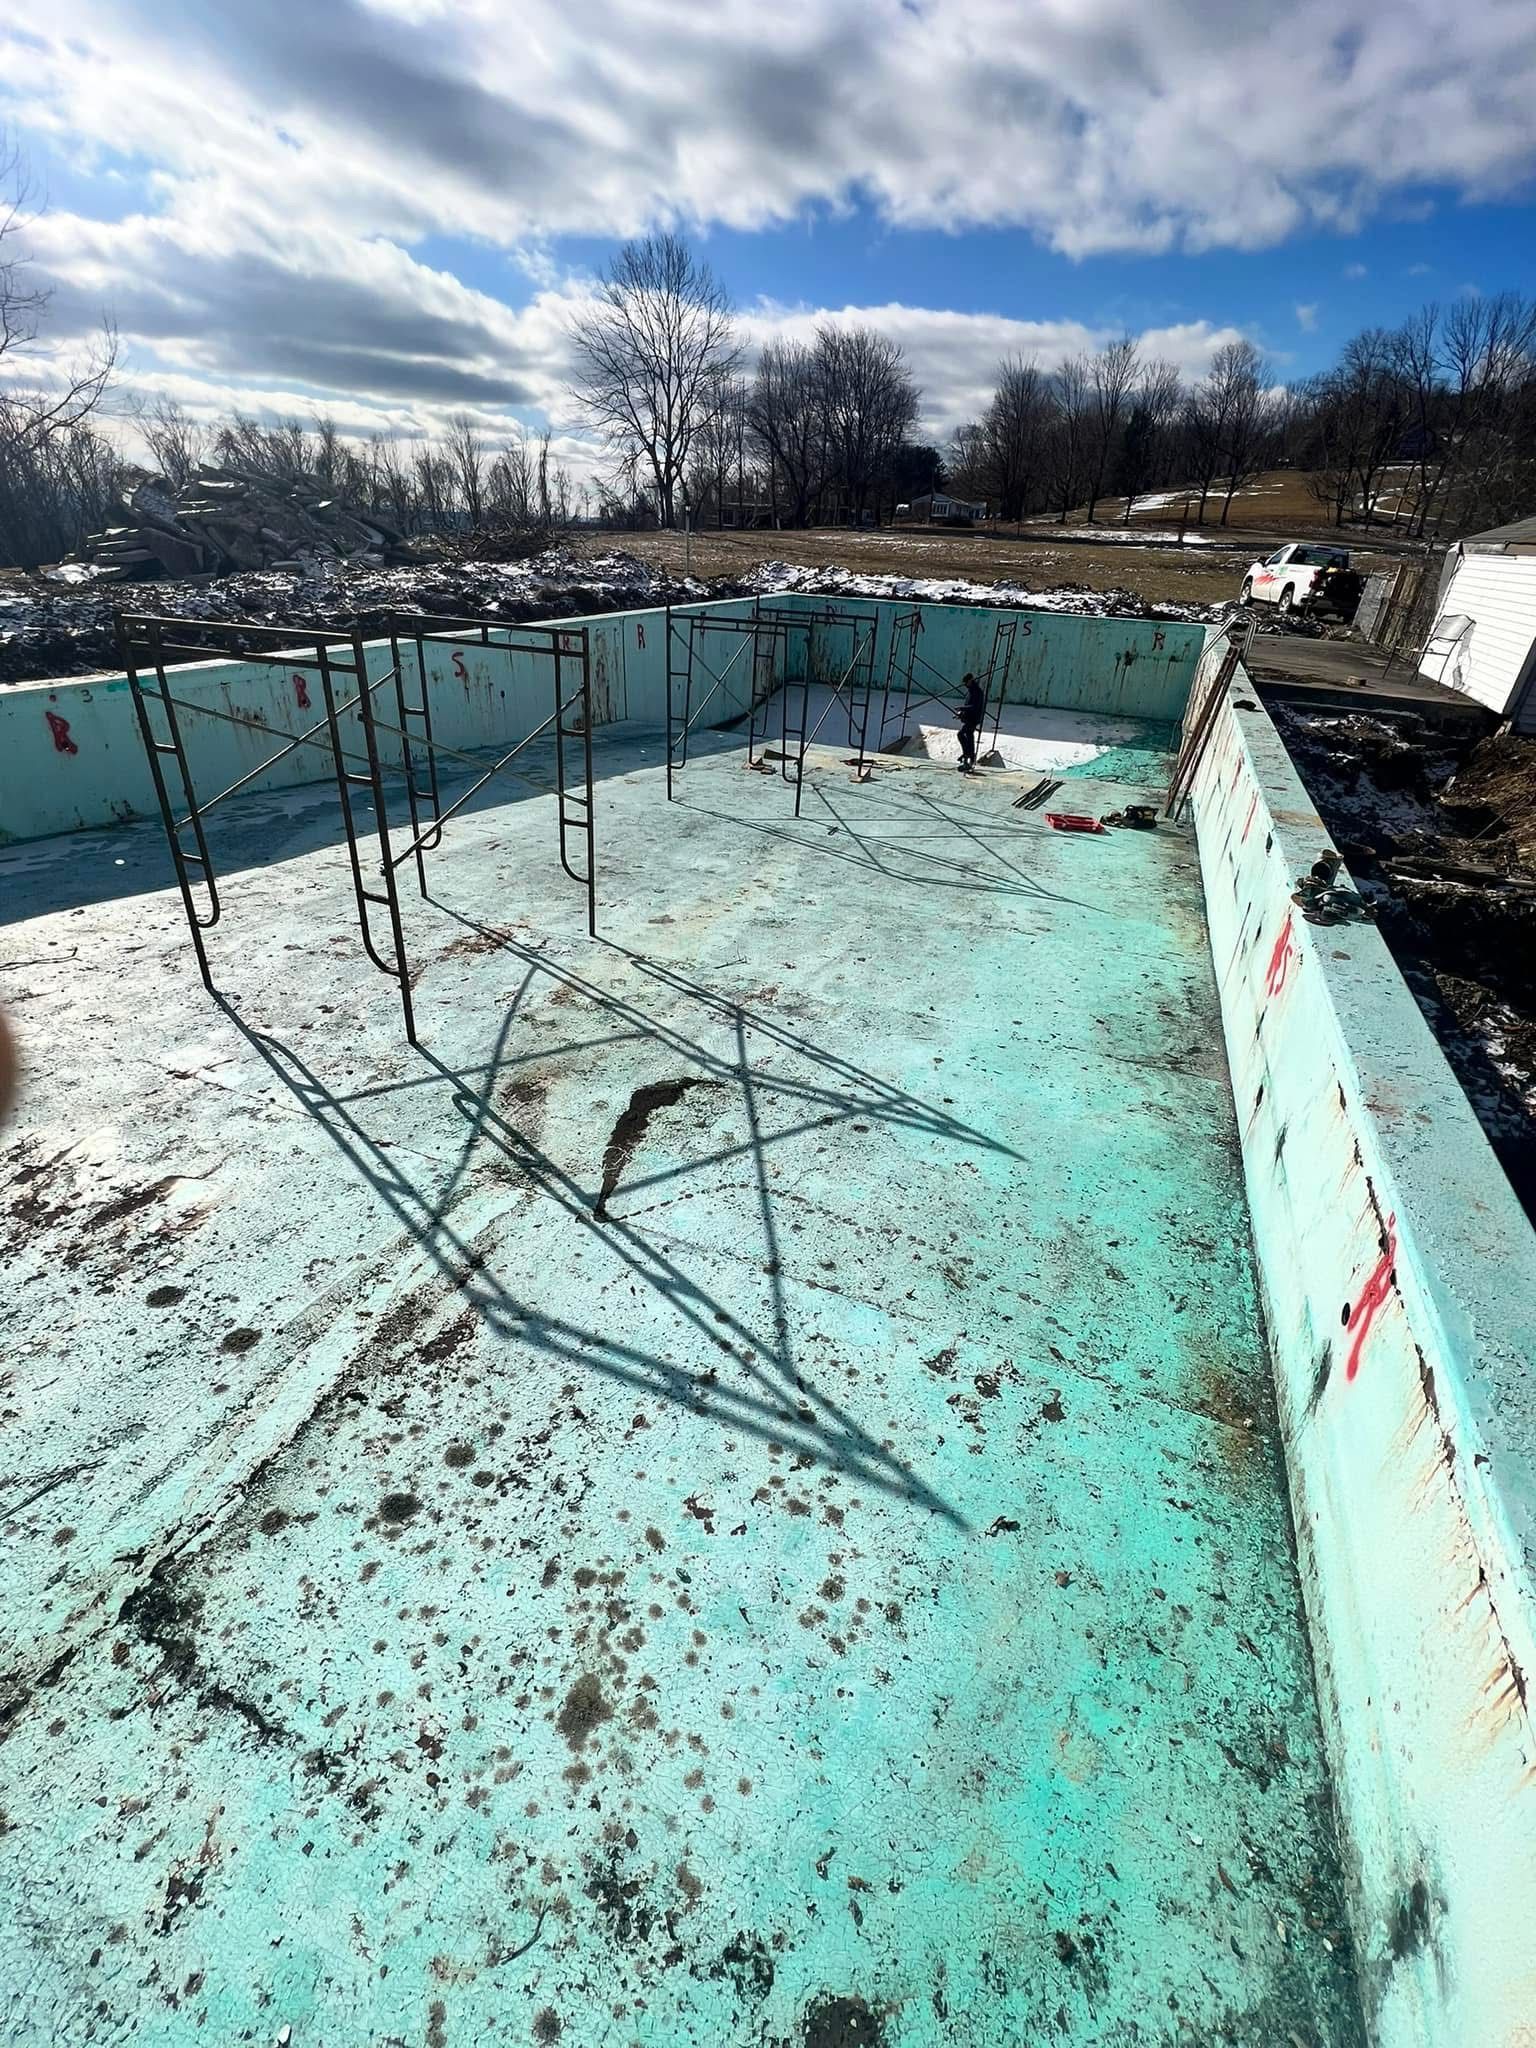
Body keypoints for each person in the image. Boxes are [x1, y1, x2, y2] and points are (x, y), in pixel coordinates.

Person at [956, 671, 986, 774]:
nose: (965, 685)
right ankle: (969, 756)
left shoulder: (977, 692)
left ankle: (968, 755)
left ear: (970, 681)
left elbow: (975, 707)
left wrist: (962, 708)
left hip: (974, 719)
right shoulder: (970, 691)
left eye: (966, 683)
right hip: (969, 718)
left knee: (962, 734)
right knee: (967, 735)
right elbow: (969, 706)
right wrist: (961, 713)